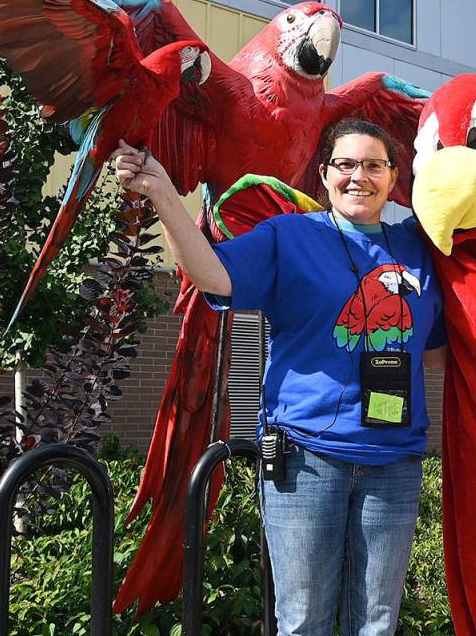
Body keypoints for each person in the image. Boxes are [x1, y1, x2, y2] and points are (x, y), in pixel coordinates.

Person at [114, 118, 446, 636]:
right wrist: (160, 192)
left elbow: (441, 351)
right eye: (346, 164)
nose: (360, 176)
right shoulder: (290, 236)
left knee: (379, 623)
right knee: (303, 622)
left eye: (375, 165)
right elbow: (213, 274)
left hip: (394, 463)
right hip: (307, 462)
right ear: (324, 173)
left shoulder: (419, 250)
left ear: (393, 176)